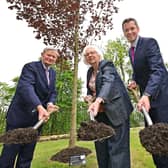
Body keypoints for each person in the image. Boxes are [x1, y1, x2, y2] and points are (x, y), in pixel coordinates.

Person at [0, 47, 59, 168]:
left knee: (27, 155)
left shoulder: (52, 73)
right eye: (48, 55)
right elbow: (26, 88)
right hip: (19, 118)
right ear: (42, 55)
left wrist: (50, 104)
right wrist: (39, 107)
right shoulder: (30, 67)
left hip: (36, 121)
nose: (50, 58)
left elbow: (52, 92)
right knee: (9, 153)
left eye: (54, 57)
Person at [122, 17, 168, 168]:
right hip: (147, 103)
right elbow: (140, 72)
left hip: (161, 98)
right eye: (126, 30)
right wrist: (134, 80)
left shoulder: (149, 43)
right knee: (153, 140)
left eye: (132, 28)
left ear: (138, 29)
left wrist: (147, 94)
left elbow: (158, 70)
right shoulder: (131, 51)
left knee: (163, 139)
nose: (130, 32)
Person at [82, 45, 133, 168]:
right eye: (87, 54)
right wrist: (89, 97)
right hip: (101, 115)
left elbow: (108, 82)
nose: (90, 55)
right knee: (101, 148)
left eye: (92, 52)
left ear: (99, 54)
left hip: (117, 112)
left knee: (117, 150)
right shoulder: (89, 72)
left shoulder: (107, 65)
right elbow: (91, 90)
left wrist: (99, 99)